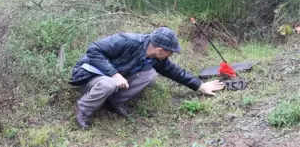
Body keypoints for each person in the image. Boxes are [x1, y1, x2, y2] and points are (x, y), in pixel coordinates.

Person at [69, 27, 224, 128]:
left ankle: (112, 102)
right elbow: (93, 50)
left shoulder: (157, 58)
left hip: (111, 78)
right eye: (171, 51)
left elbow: (174, 71)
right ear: (161, 50)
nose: (172, 54)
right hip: (90, 75)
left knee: (149, 75)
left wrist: (200, 86)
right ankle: (83, 108)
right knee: (109, 83)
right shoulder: (128, 41)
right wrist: (114, 74)